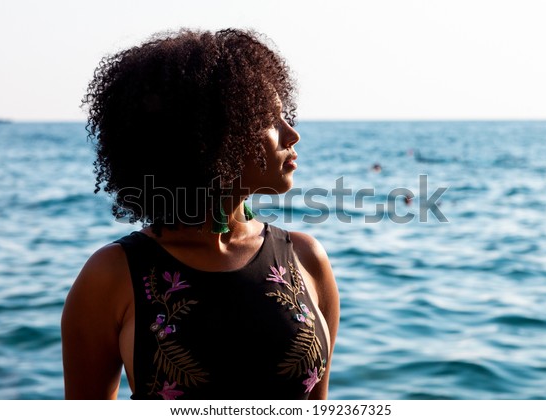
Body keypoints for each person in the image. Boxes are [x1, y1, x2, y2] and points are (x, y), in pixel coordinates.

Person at [61, 28, 339, 400]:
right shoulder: (111, 275)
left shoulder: (306, 259)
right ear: (212, 138)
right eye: (269, 121)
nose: (292, 135)